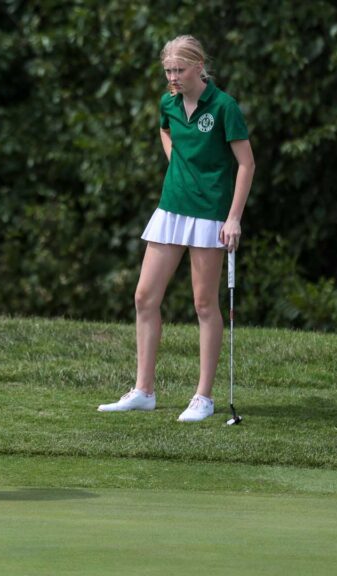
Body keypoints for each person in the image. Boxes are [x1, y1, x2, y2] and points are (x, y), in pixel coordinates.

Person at [98, 35, 255, 422]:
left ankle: (203, 397)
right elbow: (165, 130)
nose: (173, 77)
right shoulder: (168, 102)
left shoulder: (223, 106)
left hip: (210, 213)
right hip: (171, 208)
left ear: (199, 66)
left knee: (204, 304)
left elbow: (246, 164)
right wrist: (176, 159)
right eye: (168, 70)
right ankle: (143, 391)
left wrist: (234, 217)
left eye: (179, 70)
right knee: (144, 297)